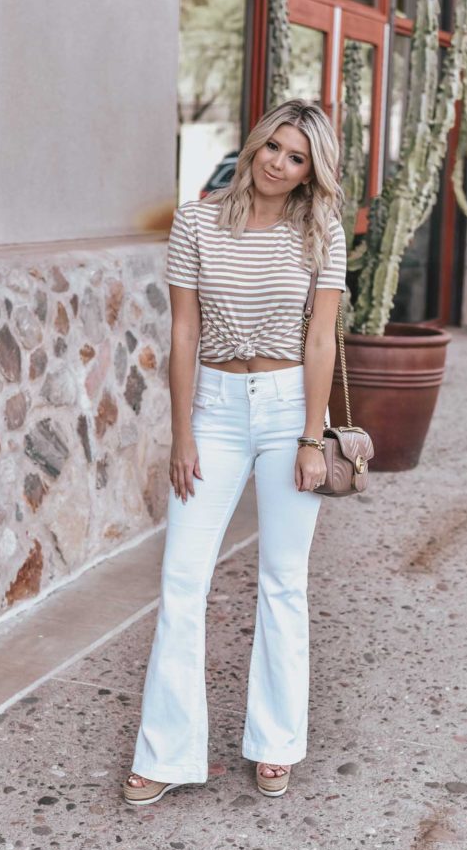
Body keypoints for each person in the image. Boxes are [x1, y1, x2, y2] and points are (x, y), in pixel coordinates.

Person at [122, 99, 347, 806]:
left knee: (284, 581)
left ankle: (277, 743)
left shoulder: (322, 230)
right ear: (254, 146)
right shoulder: (196, 222)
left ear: (313, 171)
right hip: (215, 410)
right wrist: (181, 430)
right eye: (273, 147)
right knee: (181, 580)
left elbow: (321, 339)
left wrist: (313, 437)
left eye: (297, 157)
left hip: (288, 410)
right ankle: (165, 753)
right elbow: (183, 332)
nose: (279, 163)